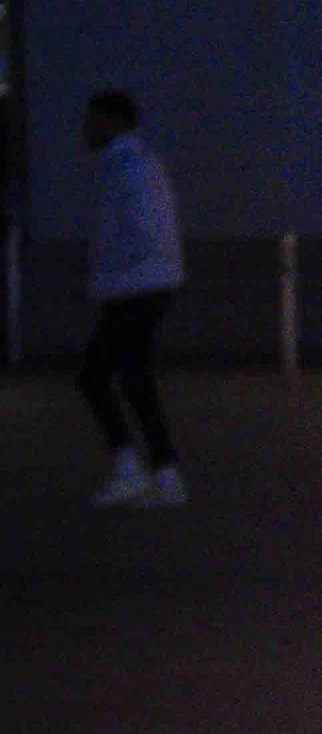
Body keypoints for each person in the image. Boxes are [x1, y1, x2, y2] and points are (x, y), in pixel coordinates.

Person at [78, 89, 189, 508]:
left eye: (92, 120)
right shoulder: (135, 165)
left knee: (95, 377)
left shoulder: (128, 168)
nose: (86, 129)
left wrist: (107, 264)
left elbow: (142, 232)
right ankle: (161, 473)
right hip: (144, 286)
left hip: (135, 287)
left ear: (112, 121)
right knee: (131, 379)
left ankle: (138, 469)